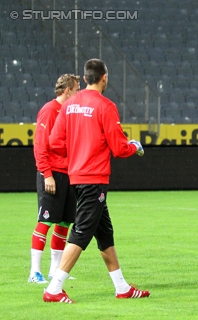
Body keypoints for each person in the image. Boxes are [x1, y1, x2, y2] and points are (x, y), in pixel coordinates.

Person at [44, 59, 147, 303]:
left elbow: (55, 143)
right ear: (104, 77)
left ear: (86, 77)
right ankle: (54, 289)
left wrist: (78, 150)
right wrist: (134, 147)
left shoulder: (69, 105)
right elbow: (119, 148)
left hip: (77, 176)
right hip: (94, 178)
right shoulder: (105, 106)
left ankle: (122, 287)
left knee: (104, 233)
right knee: (81, 233)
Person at [29, 74, 80, 284]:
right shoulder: (50, 110)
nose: (78, 94)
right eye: (76, 89)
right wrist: (47, 174)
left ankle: (54, 271)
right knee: (45, 220)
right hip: (53, 174)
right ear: (67, 90)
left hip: (69, 174)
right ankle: (34, 272)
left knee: (64, 223)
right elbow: (40, 145)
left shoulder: (69, 112)